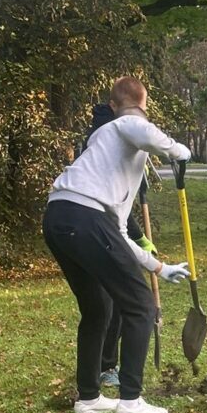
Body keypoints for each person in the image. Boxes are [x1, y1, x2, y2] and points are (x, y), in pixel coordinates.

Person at [43, 76, 191, 413]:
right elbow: (136, 126)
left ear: (111, 104)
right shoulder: (125, 125)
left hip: (58, 217)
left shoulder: (102, 147)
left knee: (98, 308)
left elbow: (119, 233)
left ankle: (89, 398)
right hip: (85, 217)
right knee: (140, 305)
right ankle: (131, 403)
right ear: (144, 101)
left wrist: (158, 267)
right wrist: (177, 150)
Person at [80, 102, 156, 390]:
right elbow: (110, 211)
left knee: (104, 308)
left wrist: (138, 238)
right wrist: (138, 238)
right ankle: (107, 367)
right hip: (96, 230)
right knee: (114, 302)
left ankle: (98, 375)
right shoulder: (108, 138)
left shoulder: (106, 138)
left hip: (89, 227)